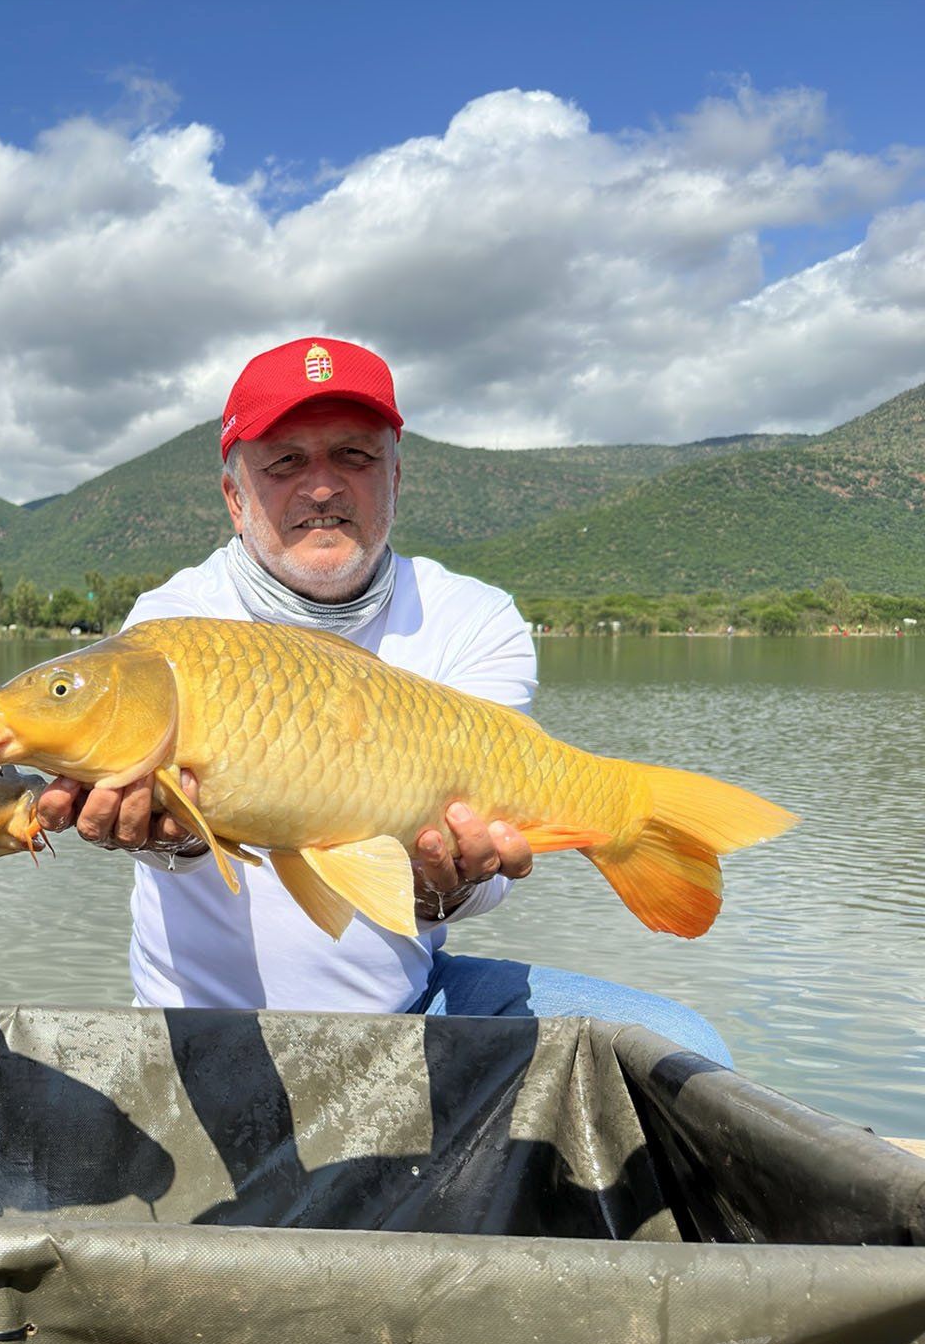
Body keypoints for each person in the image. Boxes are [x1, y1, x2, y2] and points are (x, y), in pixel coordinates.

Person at [35, 337, 732, 1063]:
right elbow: (154, 824)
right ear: (235, 497)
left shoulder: (473, 617)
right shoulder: (173, 623)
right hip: (199, 1026)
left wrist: (446, 891)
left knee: (684, 1049)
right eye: (285, 462)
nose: (323, 487)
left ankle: (626, 816)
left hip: (414, 1003)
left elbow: (487, 864)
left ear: (396, 479)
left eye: (355, 458)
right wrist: (173, 838)